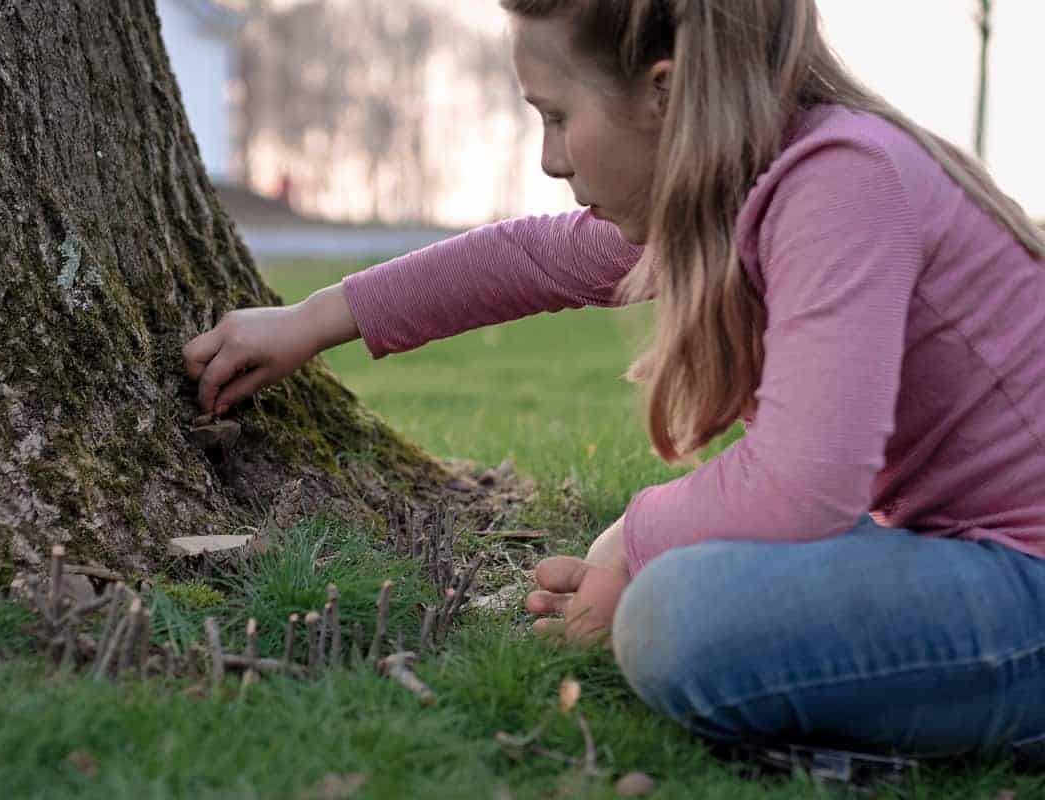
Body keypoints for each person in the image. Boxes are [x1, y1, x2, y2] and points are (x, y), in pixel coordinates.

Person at [183, 0, 1045, 764]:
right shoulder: (750, 178)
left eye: (557, 116)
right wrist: (310, 320)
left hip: (1026, 582)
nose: (553, 158)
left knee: (682, 618)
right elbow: (531, 257)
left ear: (663, 93)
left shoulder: (841, 182)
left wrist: (633, 539)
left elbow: (807, 484)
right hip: (967, 553)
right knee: (694, 583)